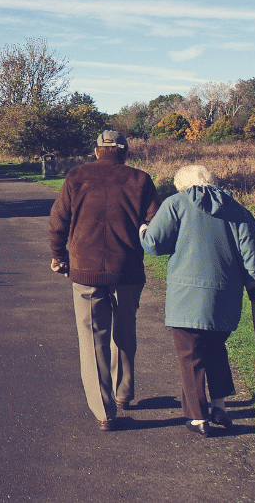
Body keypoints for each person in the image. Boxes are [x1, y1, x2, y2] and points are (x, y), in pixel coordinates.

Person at [140, 164, 255, 437]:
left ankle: (198, 417)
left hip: (187, 295)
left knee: (190, 354)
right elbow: (252, 249)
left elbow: (154, 244)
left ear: (182, 186)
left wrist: (142, 230)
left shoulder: (176, 203)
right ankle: (220, 405)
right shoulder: (236, 207)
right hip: (226, 294)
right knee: (215, 347)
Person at [48, 130, 161, 431]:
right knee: (125, 331)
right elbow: (155, 223)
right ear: (125, 151)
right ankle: (123, 393)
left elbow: (57, 221)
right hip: (128, 269)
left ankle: (103, 411)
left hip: (85, 269)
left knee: (92, 338)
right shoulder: (141, 180)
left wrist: (59, 257)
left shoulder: (76, 176)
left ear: (97, 150)